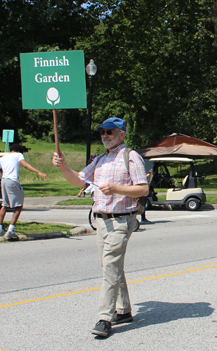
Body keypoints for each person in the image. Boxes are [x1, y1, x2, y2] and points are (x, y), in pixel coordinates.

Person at [52, 117, 148, 337]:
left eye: (110, 132)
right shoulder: (100, 160)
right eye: (102, 132)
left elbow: (143, 189)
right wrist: (63, 165)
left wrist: (116, 188)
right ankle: (124, 310)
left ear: (121, 134)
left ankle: (105, 317)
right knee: (111, 267)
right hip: (100, 220)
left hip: (121, 220)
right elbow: (79, 180)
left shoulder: (131, 157)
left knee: (110, 267)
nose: (105, 135)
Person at [0, 144, 48, 239]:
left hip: (3, 181)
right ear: (18, 151)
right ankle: (11, 229)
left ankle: (0, 228)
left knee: (5, 205)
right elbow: (25, 164)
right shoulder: (18, 155)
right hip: (12, 181)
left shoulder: (3, 158)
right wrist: (38, 171)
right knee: (19, 205)